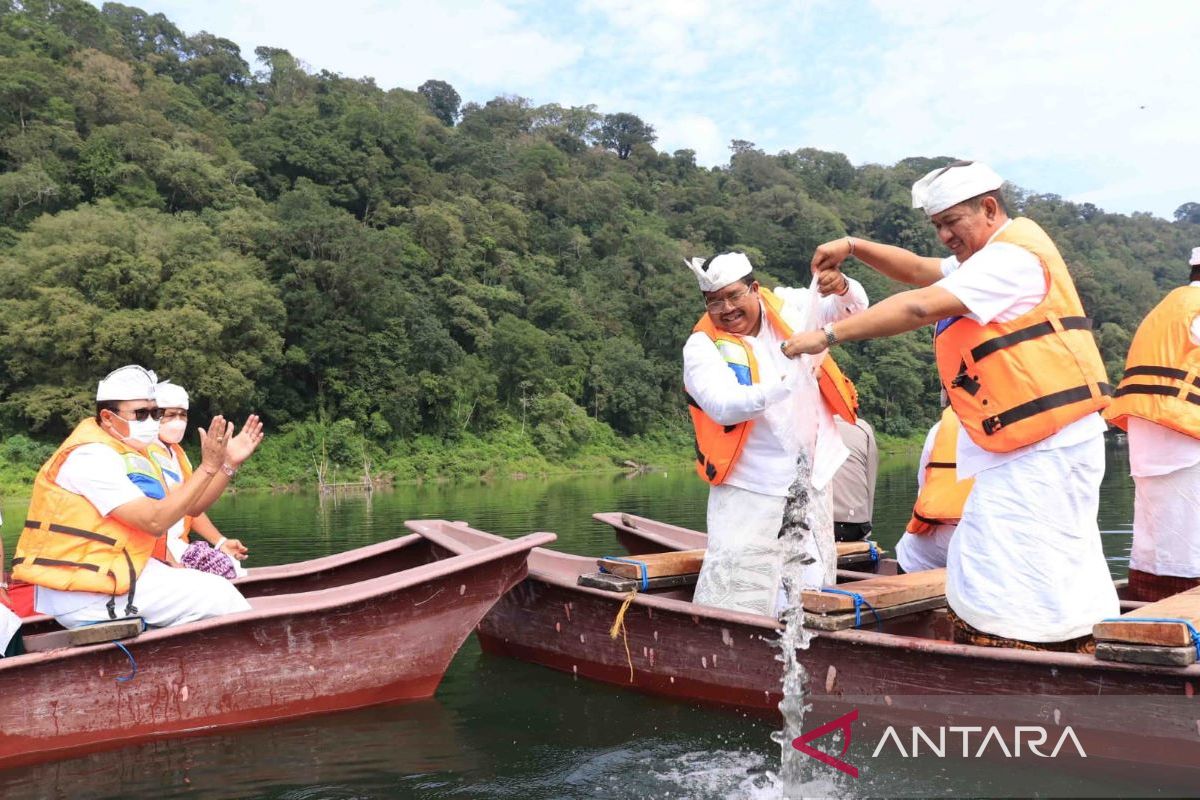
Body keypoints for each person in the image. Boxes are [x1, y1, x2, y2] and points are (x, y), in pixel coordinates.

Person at [784, 161, 1118, 651]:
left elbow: (920, 304)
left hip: (1045, 446)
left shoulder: (1012, 260)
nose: (943, 236)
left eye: (950, 223)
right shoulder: (988, 256)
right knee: (1037, 560)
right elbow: (920, 272)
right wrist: (854, 247)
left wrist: (827, 335)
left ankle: (1027, 654)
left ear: (988, 208)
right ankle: (1059, 644)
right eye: (936, 226)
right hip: (1028, 443)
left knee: (1007, 563)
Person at [683, 251, 868, 616]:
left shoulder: (791, 305)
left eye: (734, 296)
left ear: (754, 288)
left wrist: (843, 287)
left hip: (811, 478)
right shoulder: (701, 346)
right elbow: (724, 405)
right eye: (714, 301)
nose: (726, 308)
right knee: (740, 591)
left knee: (811, 588)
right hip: (751, 485)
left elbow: (855, 311)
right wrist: (790, 381)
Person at [11, 365, 252, 628]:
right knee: (219, 596)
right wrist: (207, 467)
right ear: (107, 417)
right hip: (86, 590)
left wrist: (226, 464)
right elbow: (154, 521)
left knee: (214, 587)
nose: (151, 421)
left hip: (118, 574)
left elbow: (189, 507)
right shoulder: (90, 456)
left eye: (155, 413)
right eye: (141, 413)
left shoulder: (136, 453)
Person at [1104, 246, 1200, 601]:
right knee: (1189, 541)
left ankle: (1149, 606)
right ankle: (1184, 620)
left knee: (1155, 536)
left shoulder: (1167, 307)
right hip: (1185, 433)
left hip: (1152, 435)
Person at [150, 381, 254, 578]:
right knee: (224, 570)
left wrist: (220, 541)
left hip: (177, 544)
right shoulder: (144, 452)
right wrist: (171, 562)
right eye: (171, 415)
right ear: (154, 415)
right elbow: (154, 520)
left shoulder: (178, 455)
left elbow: (192, 508)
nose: (178, 421)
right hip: (156, 550)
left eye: (183, 415)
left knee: (230, 566)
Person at [895, 405, 973, 573]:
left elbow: (924, 487)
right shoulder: (1023, 431)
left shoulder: (939, 429)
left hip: (941, 540)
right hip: (991, 544)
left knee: (908, 553)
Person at [831, 415, 877, 541]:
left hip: (821, 527)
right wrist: (867, 527)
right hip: (857, 528)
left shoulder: (812, 424)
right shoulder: (863, 427)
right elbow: (870, 482)